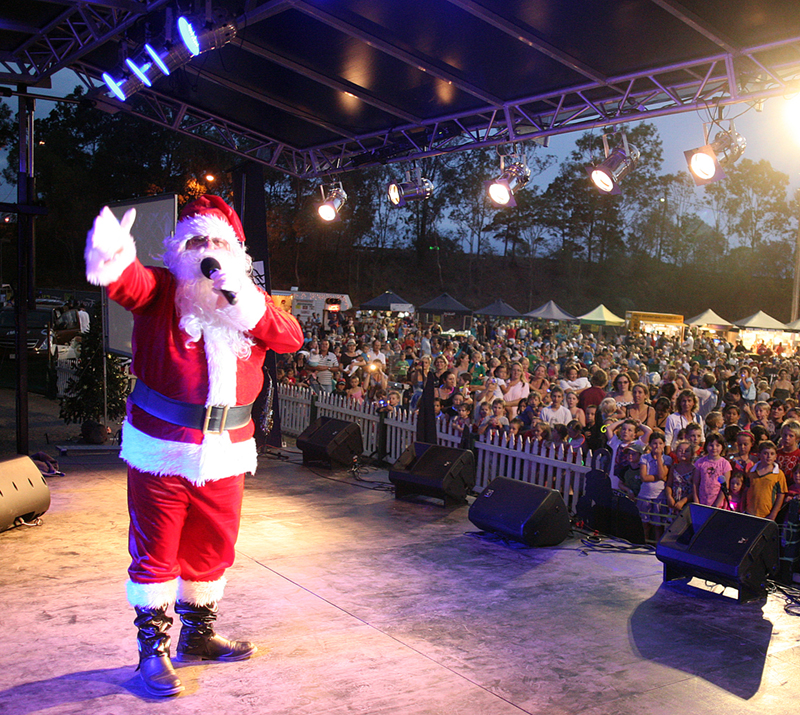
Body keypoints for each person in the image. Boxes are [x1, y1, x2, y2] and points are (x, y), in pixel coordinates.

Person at [84, 196, 303, 697]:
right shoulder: (162, 290)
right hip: (160, 449)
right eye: (196, 241)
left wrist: (243, 300)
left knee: (212, 547)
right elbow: (127, 282)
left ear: (235, 254)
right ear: (180, 250)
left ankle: (198, 638)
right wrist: (114, 254)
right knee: (156, 550)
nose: (207, 251)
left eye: (217, 242)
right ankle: (152, 652)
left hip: (227, 451)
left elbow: (290, 337)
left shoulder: (250, 303)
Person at [744, 441, 787, 520]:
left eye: (772, 454)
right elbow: (746, 489)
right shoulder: (752, 471)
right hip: (749, 512)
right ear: (759, 454)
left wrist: (773, 514)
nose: (769, 456)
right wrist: (742, 507)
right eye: (765, 453)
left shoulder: (779, 474)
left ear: (775, 456)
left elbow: (781, 495)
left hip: (766, 514)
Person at [692, 433, 731, 507]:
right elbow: (695, 483)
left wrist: (717, 504)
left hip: (718, 504)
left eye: (717, 445)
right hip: (702, 502)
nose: (714, 448)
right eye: (711, 445)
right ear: (706, 446)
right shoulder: (700, 462)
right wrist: (696, 500)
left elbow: (725, 487)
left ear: (722, 447)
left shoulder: (725, 464)